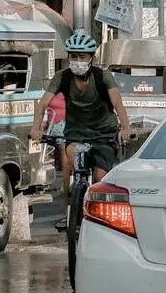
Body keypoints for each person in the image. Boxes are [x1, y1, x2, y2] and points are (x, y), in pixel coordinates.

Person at [30, 32, 131, 233]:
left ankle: (99, 219)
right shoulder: (62, 77)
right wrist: (36, 127)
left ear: (91, 58)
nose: (77, 61)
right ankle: (70, 209)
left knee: (100, 178)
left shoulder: (103, 76)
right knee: (71, 161)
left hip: (104, 134)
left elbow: (117, 103)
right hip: (76, 133)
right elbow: (43, 104)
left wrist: (125, 127)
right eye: (73, 56)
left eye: (82, 57)